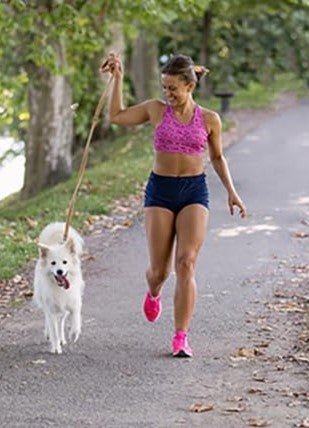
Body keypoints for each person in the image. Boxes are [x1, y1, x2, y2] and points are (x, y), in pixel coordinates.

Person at [102, 53, 246, 358]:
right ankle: (154, 291)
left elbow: (217, 158)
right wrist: (117, 79)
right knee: (159, 271)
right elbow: (117, 116)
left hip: (194, 190)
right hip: (161, 191)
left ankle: (181, 336)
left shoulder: (209, 119)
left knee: (186, 263)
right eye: (164, 88)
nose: (167, 94)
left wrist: (231, 192)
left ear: (190, 86)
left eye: (173, 89)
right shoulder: (156, 110)